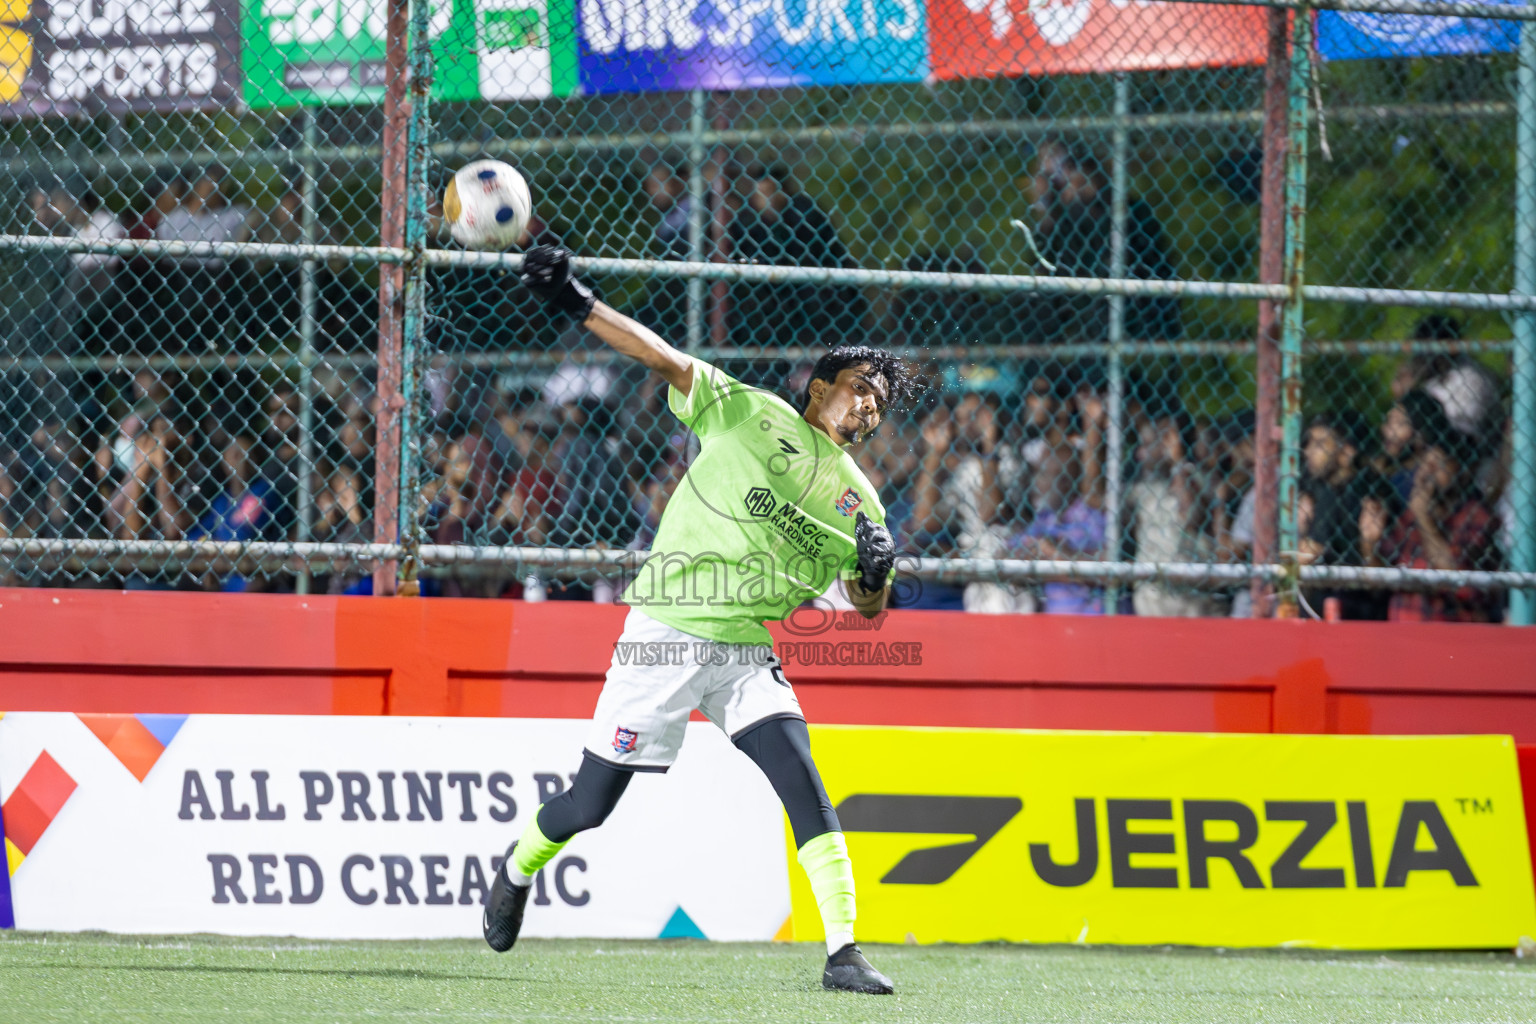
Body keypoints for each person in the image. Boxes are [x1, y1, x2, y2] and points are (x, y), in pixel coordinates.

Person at [481, 245, 913, 996]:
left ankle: (844, 952)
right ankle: (517, 871)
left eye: (882, 398)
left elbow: (868, 613)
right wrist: (577, 301)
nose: (872, 403)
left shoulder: (863, 503)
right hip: (666, 631)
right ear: (818, 389)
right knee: (590, 803)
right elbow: (663, 357)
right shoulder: (750, 412)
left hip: (746, 648)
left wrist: (875, 572)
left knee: (804, 781)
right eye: (861, 387)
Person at [1361, 429, 1501, 622]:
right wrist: (1369, 543)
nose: (1427, 472)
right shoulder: (1409, 517)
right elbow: (1375, 579)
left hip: (1453, 634)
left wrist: (1423, 519)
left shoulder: (1476, 517)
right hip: (1405, 633)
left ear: (1463, 472)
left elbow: (1457, 580)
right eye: (1425, 464)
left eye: (1439, 465)